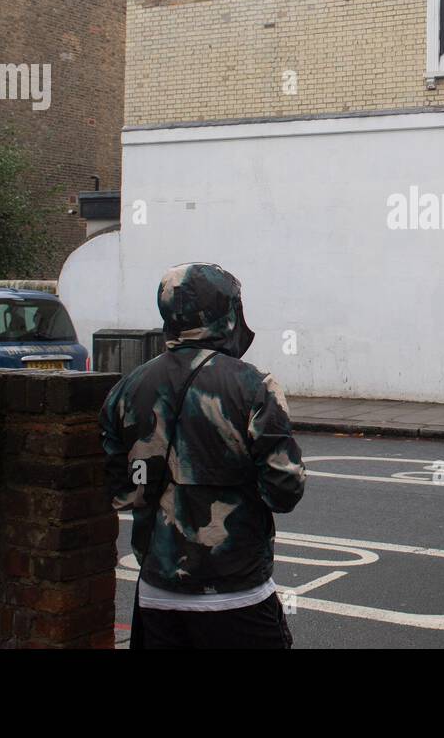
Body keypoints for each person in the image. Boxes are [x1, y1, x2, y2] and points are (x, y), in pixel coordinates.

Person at [100, 262, 307, 649]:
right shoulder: (254, 386)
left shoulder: (127, 389)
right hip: (237, 592)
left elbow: (121, 491)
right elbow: (284, 490)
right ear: (226, 312)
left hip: (158, 592)